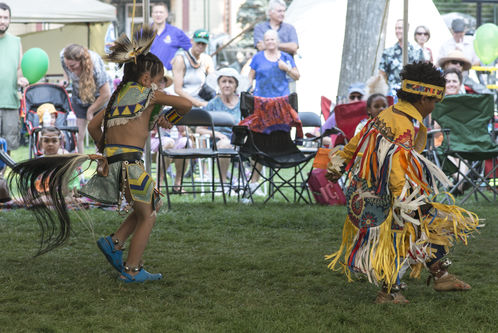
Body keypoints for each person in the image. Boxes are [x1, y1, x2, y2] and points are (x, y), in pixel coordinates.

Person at [9, 27, 192, 283]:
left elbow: (94, 126)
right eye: (160, 80)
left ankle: (114, 242)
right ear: (147, 78)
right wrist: (168, 118)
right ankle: (131, 270)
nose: (160, 85)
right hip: (130, 165)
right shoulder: (148, 94)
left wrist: (106, 150)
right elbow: (186, 104)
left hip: (117, 163)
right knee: (149, 214)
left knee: (151, 204)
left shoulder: (117, 97)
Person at [325, 62, 479, 304]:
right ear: (423, 99)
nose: (434, 107)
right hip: (389, 195)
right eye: (434, 102)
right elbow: (397, 164)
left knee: (427, 225)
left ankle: (441, 276)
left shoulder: (390, 114)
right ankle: (389, 293)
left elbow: (357, 141)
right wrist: (404, 200)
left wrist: (340, 161)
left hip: (371, 190)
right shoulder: (404, 124)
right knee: (404, 236)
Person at [61, 44, 111, 154]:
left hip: (99, 99)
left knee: (98, 133)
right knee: (78, 135)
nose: (70, 68)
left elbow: (106, 94)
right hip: (79, 97)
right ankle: (79, 166)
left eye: (73, 66)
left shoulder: (95, 65)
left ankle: (101, 163)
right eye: (67, 65)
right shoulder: (62, 56)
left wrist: (91, 110)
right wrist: (66, 79)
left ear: (82, 62)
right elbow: (66, 71)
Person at [197, 67, 241, 190]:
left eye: (231, 82)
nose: (227, 85)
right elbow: (199, 129)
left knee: (260, 141)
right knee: (225, 144)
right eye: (224, 81)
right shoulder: (212, 104)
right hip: (219, 142)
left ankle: (253, 183)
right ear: (219, 84)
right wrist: (216, 134)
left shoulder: (243, 103)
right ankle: (223, 184)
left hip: (241, 139)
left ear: (236, 85)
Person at [0, 2, 29, 154]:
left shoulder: (16, 42)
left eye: (6, 17)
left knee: (8, 145)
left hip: (11, 102)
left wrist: (21, 79)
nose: (2, 21)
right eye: (0, 17)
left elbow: (19, 68)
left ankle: (2, 177)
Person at [248, 29, 300, 98]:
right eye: (267, 40)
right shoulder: (257, 57)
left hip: (282, 99)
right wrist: (250, 87)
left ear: (278, 41)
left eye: (272, 39)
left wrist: (287, 68)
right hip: (261, 98)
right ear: (264, 42)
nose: (270, 42)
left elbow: (297, 76)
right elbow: (250, 76)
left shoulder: (286, 57)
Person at [171, 29, 215, 108]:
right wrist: (198, 103)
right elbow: (177, 89)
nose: (200, 46)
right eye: (198, 43)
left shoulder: (207, 59)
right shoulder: (180, 59)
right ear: (192, 41)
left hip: (202, 99)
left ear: (207, 45)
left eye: (203, 44)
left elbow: (214, 83)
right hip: (184, 102)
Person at [379, 19, 423, 95]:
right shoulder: (388, 52)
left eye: (400, 28)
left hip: (413, 94)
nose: (397, 31)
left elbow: (422, 73)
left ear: (407, 29)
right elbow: (382, 74)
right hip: (393, 93)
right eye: (396, 28)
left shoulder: (417, 51)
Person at [150, 2, 191, 71]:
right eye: (156, 12)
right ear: (152, 14)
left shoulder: (176, 32)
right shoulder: (143, 33)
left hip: (168, 76)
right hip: (148, 76)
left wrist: (180, 58)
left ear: (166, 15)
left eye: (161, 12)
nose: (158, 15)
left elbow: (191, 50)